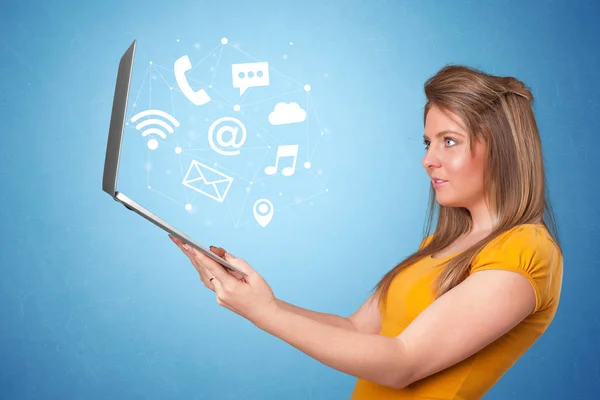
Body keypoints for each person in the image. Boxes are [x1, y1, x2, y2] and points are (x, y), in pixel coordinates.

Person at [169, 64, 563, 400]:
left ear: (503, 149)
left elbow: (402, 362)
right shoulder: (438, 247)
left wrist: (264, 313)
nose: (428, 160)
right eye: (428, 142)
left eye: (449, 141)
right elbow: (356, 329)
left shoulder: (526, 251)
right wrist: (255, 298)